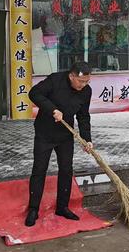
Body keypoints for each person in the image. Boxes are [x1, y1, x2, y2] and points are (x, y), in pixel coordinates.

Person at [25, 61, 93, 227]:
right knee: (39, 170)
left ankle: (62, 207)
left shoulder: (86, 92)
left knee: (66, 170)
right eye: (80, 81)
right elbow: (34, 93)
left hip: (65, 135)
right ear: (71, 76)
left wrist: (87, 139)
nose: (83, 85)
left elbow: (83, 116)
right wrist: (52, 109)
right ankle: (33, 209)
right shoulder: (55, 80)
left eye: (87, 82)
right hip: (44, 133)